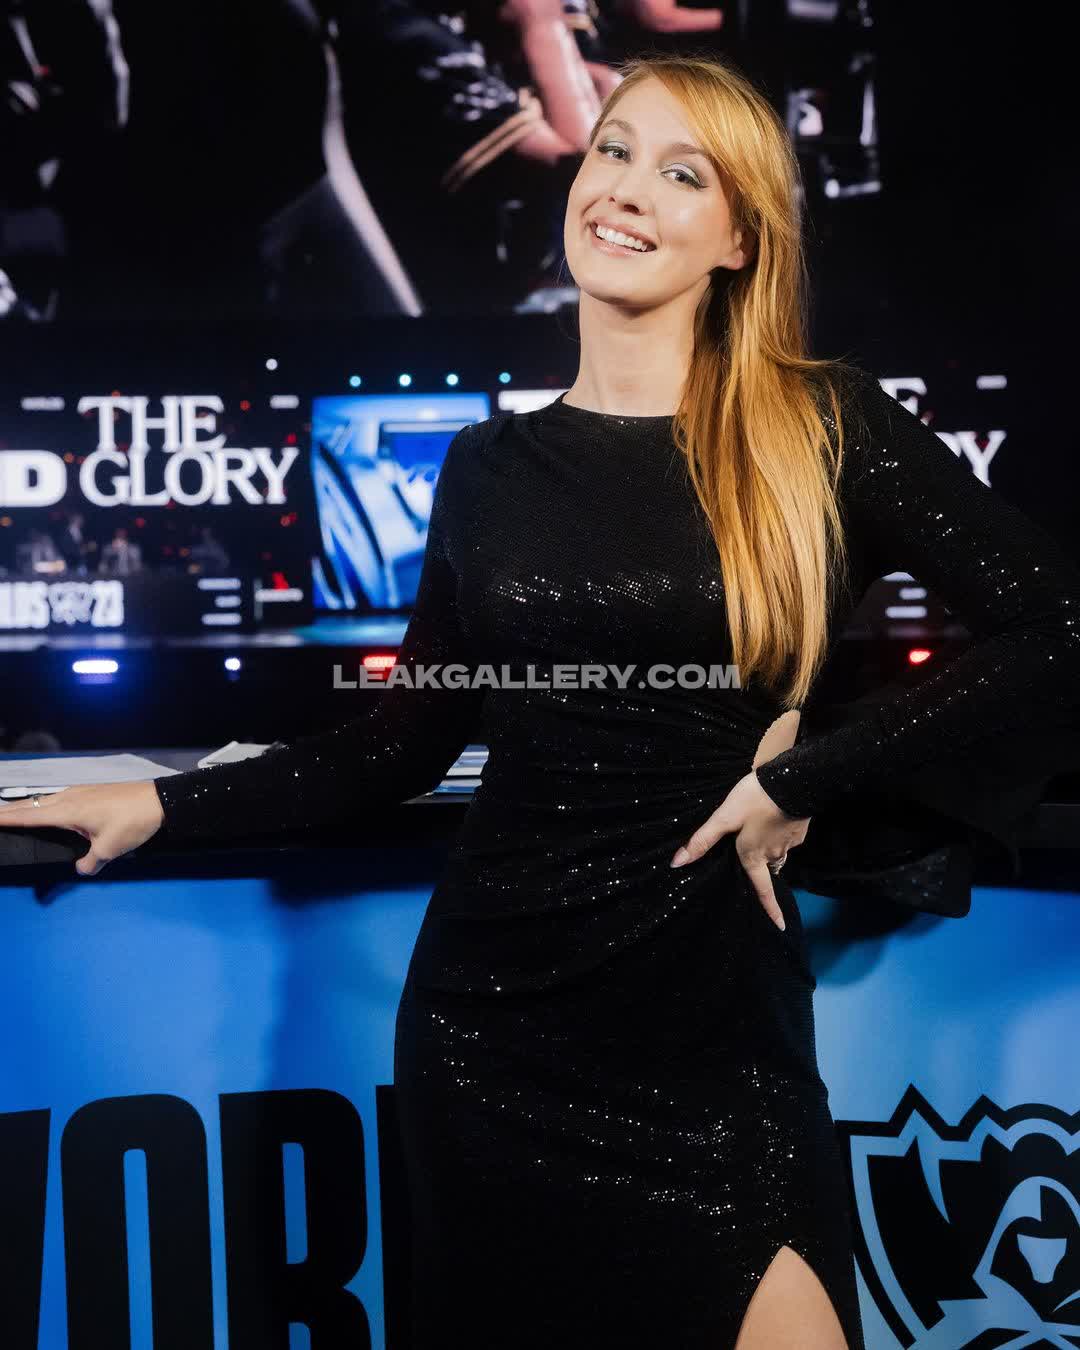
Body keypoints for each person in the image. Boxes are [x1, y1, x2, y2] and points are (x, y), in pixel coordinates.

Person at [3, 54, 1080, 1348]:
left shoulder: (822, 427)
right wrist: (163, 803)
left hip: (715, 1039)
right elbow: (404, 744)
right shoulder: (486, 467)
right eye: (612, 150)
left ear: (739, 238)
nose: (624, 189)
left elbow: (1055, 628)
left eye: (682, 174)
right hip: (493, 1034)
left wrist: (807, 774)